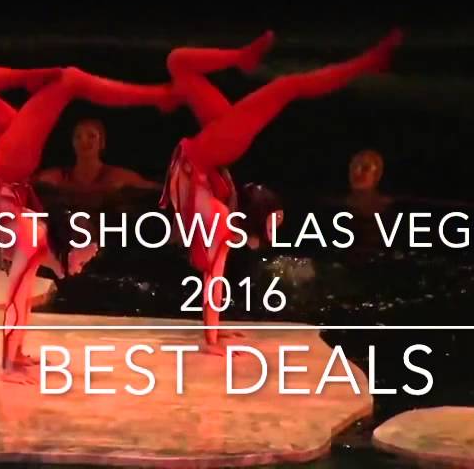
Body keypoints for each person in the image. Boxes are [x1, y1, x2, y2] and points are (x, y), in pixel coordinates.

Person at [162, 29, 402, 354]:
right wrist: (212, 337)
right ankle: (367, 63)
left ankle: (245, 57)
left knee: (180, 63)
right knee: (284, 86)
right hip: (210, 151)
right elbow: (213, 275)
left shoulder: (214, 211)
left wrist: (213, 335)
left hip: (207, 152)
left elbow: (213, 275)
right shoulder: (217, 214)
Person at [0, 62, 180, 384]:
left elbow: (21, 299)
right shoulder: (33, 239)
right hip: (5, 175)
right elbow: (15, 301)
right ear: (68, 248)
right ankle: (156, 95)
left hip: (5, 179)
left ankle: (34, 77)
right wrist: (9, 366)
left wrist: (16, 355)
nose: (83, 266)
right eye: (84, 258)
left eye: (86, 258)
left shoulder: (35, 238)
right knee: (69, 81)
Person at [34, 118, 162, 195]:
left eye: (91, 136)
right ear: (73, 143)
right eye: (78, 136)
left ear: (102, 143)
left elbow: (154, 189)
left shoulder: (115, 176)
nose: (84, 141)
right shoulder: (59, 176)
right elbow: (30, 183)